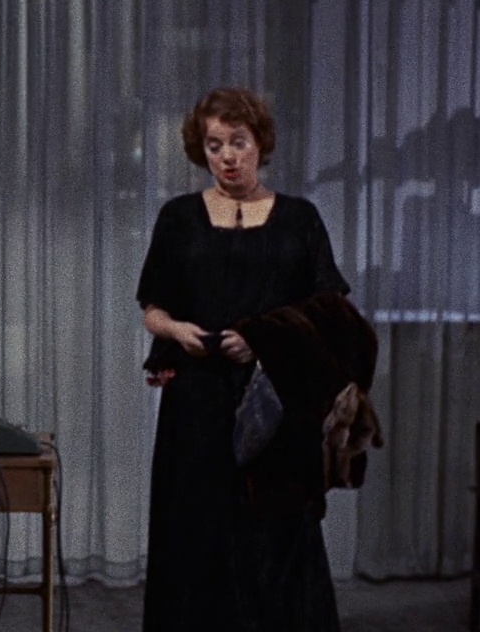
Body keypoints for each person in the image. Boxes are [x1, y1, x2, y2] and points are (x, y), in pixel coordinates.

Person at [137, 86, 349, 630]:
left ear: (260, 143)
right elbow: (152, 309)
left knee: (277, 533)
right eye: (214, 146)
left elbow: (329, 310)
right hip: (195, 401)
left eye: (238, 142)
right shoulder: (178, 218)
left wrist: (264, 340)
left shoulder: (300, 218)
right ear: (201, 150)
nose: (227, 156)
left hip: (273, 400)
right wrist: (176, 330)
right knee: (195, 532)